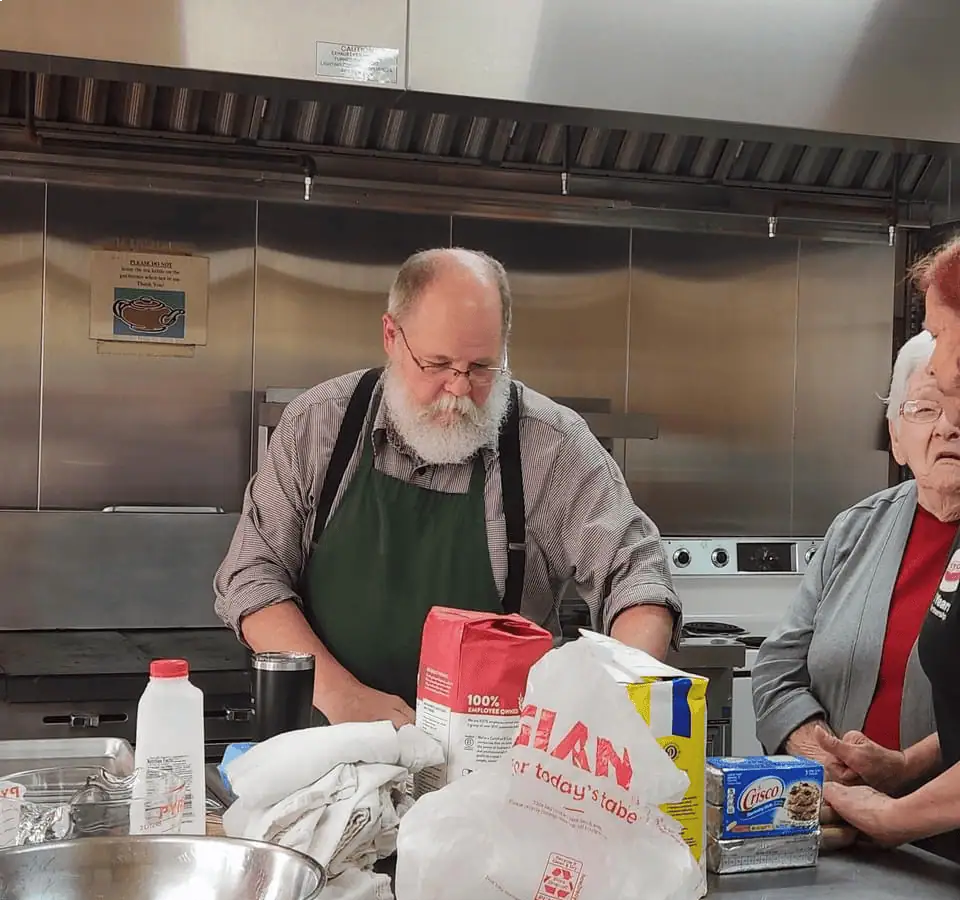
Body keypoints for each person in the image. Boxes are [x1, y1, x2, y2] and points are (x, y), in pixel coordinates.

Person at [214, 247, 680, 727]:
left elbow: (637, 577)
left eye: (481, 368)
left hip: (496, 769)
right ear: (392, 336)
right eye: (437, 364)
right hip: (327, 752)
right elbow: (252, 576)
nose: (459, 390)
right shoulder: (318, 426)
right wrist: (340, 696)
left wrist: (613, 702)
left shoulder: (553, 447)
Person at [751, 330, 960, 786]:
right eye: (926, 408)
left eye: (959, 404)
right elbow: (775, 669)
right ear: (897, 437)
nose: (947, 425)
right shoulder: (855, 528)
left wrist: (906, 771)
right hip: (837, 824)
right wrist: (821, 752)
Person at [820, 237, 960, 849]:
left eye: (941, 335)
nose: (934, 365)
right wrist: (903, 769)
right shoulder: (858, 527)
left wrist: (892, 817)